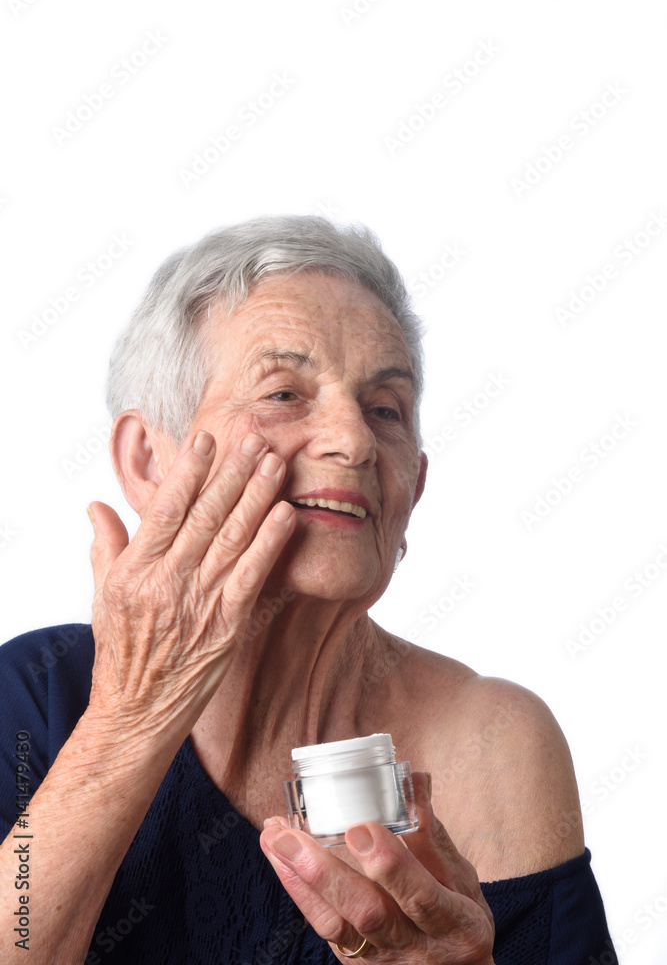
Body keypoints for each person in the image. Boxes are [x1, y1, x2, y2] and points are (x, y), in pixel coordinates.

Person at [0, 215, 617, 964]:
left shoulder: (492, 743)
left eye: (385, 410)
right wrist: (131, 717)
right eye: (285, 393)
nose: (353, 443)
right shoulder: (33, 697)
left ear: (414, 484)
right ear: (149, 459)